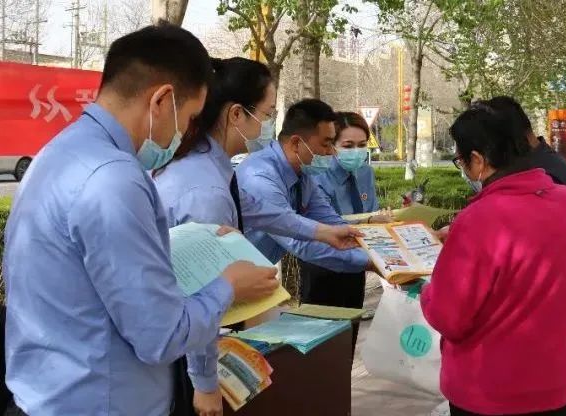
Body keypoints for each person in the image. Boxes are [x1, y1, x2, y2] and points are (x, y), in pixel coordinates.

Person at [2, 24, 281, 416]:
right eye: (190, 117)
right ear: (161, 101)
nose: (186, 132)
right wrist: (228, 285)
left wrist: (191, 242)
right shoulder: (113, 179)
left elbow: (92, 271)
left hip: (52, 394)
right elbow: (160, 336)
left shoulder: (60, 153)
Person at [151, 57, 360, 415]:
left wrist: (326, 232)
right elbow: (202, 296)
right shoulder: (206, 191)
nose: (267, 126)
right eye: (266, 114)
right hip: (184, 344)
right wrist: (205, 382)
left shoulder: (211, 168)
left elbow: (264, 212)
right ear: (236, 114)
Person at [421, 102, 566, 416]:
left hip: (489, 393)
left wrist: (425, 289)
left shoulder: (479, 219)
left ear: (478, 159)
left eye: (461, 161)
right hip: (555, 386)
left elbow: (448, 317)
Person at [480, 96, 566, 414]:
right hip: (554, 306)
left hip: (542, 312)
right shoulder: (544, 163)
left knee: (545, 394)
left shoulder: (543, 173)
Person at [236, 98, 371, 282]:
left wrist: (373, 249)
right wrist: (370, 261)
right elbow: (297, 241)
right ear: (296, 143)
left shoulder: (302, 173)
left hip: (251, 271)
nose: (331, 152)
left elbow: (329, 220)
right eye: (326, 144)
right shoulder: (260, 178)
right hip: (225, 277)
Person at [298, 111, 390, 316]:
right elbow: (322, 222)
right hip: (322, 260)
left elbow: (371, 210)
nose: (356, 152)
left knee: (351, 321)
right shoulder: (317, 175)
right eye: (348, 146)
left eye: (362, 145)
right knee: (321, 325)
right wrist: (368, 220)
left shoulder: (365, 172)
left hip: (357, 257)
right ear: (332, 145)